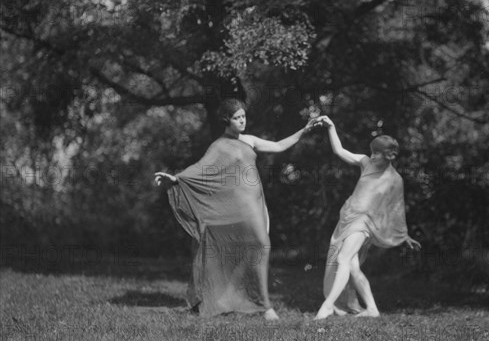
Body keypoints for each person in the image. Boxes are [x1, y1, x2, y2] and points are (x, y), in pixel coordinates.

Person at [155, 99, 317, 320]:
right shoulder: (219, 146)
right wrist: (175, 179)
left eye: (243, 116)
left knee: (261, 246)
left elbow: (278, 146)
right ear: (227, 120)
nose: (242, 121)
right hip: (235, 207)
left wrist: (305, 130)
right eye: (237, 117)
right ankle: (263, 307)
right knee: (243, 249)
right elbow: (200, 170)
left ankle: (251, 301)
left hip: (255, 203)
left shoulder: (249, 140)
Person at [314, 116, 421, 320]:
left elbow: (397, 209)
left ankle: (328, 306)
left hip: (364, 223)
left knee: (344, 259)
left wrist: (404, 236)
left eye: (377, 154)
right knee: (352, 266)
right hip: (347, 218)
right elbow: (339, 151)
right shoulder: (365, 163)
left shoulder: (395, 180)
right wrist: (332, 127)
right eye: (372, 152)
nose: (372, 157)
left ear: (391, 155)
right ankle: (372, 309)